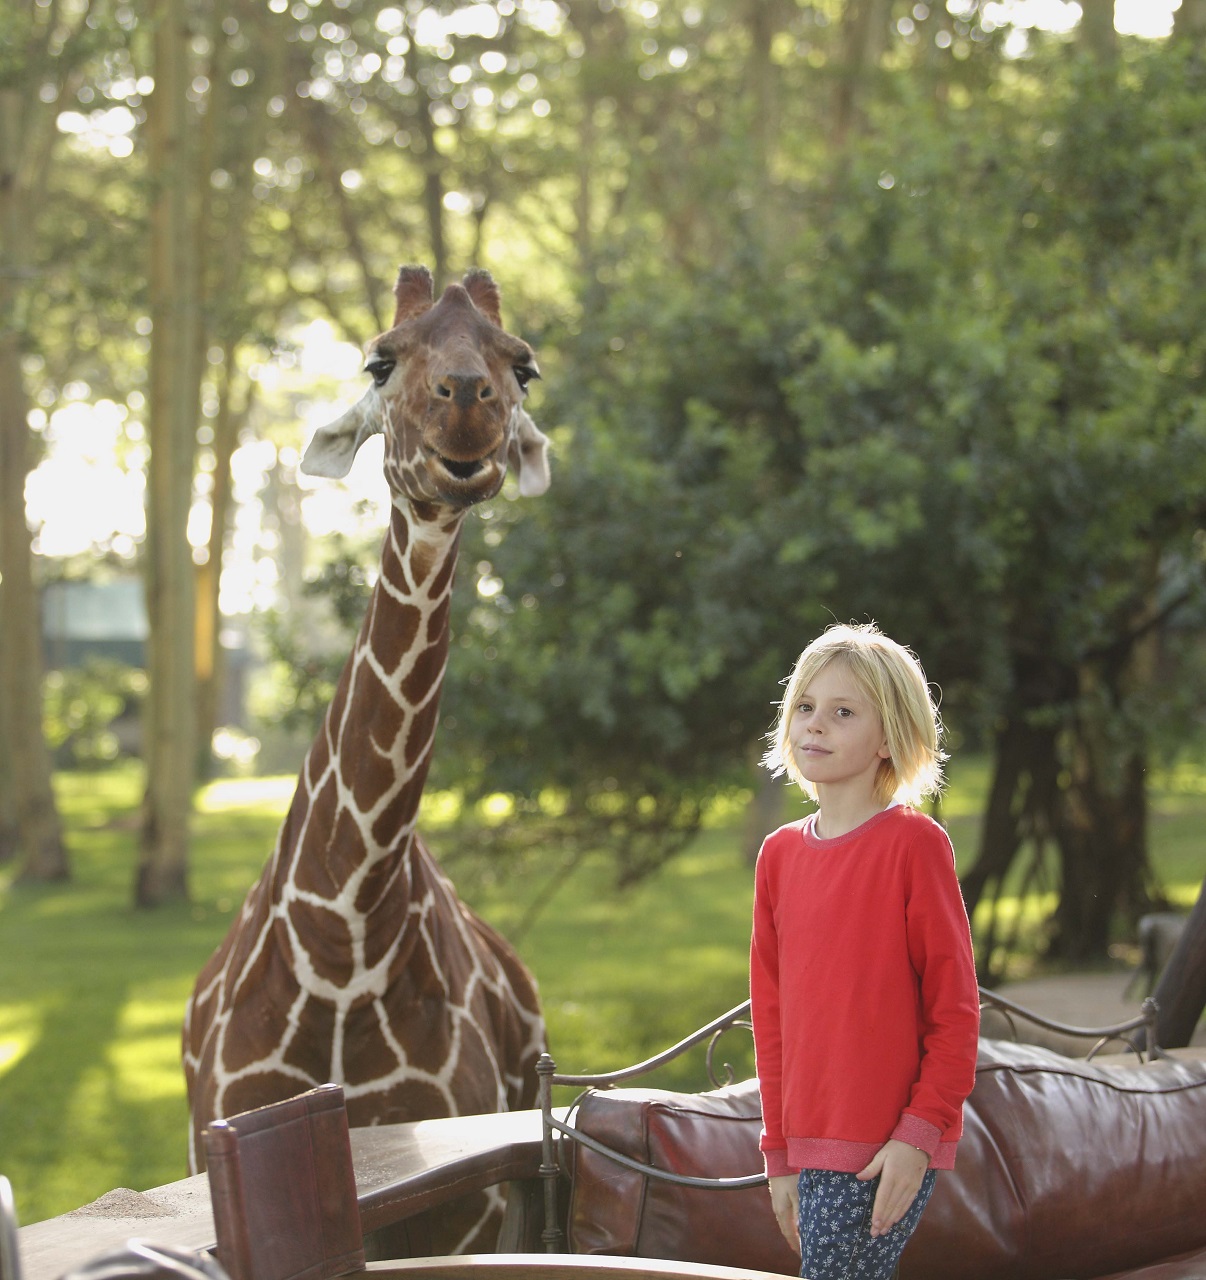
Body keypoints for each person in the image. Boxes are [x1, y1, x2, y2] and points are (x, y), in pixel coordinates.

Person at [749, 622, 979, 1280]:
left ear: (888, 738)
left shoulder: (915, 846)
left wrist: (919, 1135)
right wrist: (780, 1153)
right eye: (805, 707)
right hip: (807, 1147)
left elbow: (956, 1010)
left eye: (842, 712)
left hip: (886, 1149)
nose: (815, 725)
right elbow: (772, 1018)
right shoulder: (779, 857)